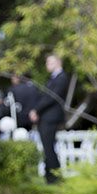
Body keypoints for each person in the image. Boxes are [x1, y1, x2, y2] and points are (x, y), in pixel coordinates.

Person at [30, 54, 69, 184]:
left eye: (49, 62)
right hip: (46, 117)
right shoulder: (53, 78)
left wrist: (37, 110)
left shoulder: (61, 78)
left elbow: (51, 98)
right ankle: (50, 176)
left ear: (58, 63)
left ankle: (55, 176)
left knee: (49, 147)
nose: (47, 65)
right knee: (47, 147)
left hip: (51, 117)